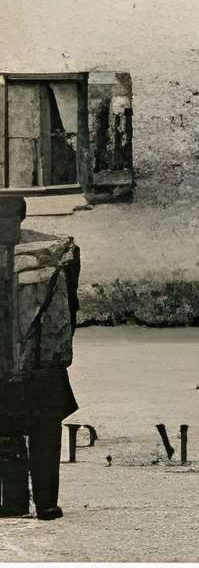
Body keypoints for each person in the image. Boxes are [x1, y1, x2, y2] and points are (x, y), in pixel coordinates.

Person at [0, 197, 80, 522]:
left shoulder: (49, 252)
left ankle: (40, 501)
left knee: (39, 433)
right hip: (23, 361)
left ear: (20, 219)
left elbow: (68, 303)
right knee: (10, 433)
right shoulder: (50, 252)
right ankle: (20, 500)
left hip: (40, 360)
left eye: (7, 218)